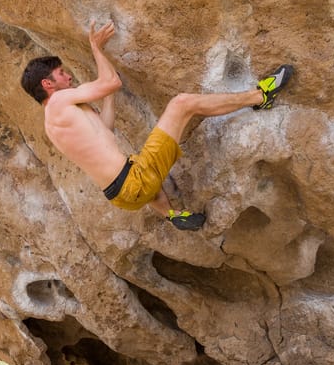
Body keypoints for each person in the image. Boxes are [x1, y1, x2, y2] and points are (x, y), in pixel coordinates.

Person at [21, 20, 293, 230]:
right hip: (135, 182)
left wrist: (109, 98)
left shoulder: (53, 125)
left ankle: (171, 215)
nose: (68, 77)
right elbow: (110, 82)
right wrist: (96, 48)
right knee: (181, 104)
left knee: (140, 161)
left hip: (123, 197)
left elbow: (106, 132)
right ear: (48, 85)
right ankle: (261, 96)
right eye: (61, 74)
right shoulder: (58, 102)